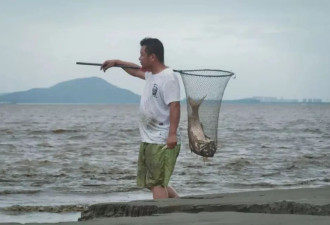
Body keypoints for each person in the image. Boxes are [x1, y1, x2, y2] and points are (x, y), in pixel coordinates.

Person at [101, 38, 181, 199]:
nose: (139, 58)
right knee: (152, 181)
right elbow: (135, 70)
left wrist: (172, 134)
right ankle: (178, 204)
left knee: (156, 182)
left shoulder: (169, 77)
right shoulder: (151, 75)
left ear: (153, 57)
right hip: (148, 138)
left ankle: (162, 217)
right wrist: (116, 62)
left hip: (161, 138)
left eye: (142, 54)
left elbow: (175, 106)